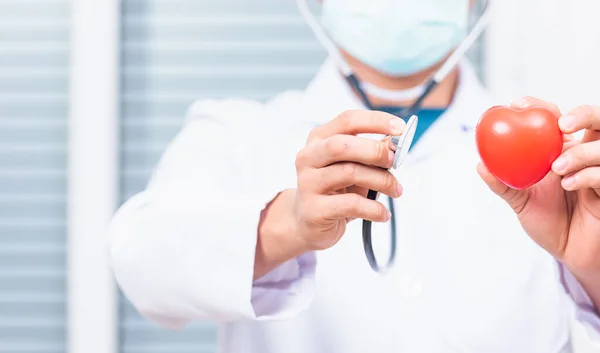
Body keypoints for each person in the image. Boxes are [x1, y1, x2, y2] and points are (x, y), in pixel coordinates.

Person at [107, 0, 600, 352]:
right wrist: (287, 224)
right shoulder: (240, 133)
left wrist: (595, 269)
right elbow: (140, 264)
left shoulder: (561, 154)